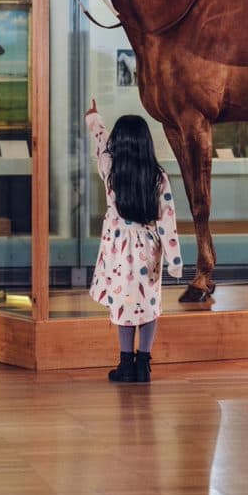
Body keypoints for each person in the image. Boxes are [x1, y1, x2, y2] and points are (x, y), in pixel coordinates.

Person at [86, 98, 183, 383]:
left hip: (118, 249)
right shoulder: (158, 176)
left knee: (124, 303)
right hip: (148, 248)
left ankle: (125, 363)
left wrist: (94, 118)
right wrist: (175, 262)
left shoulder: (111, 171)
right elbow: (168, 220)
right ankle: (143, 364)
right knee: (149, 304)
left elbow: (101, 144)